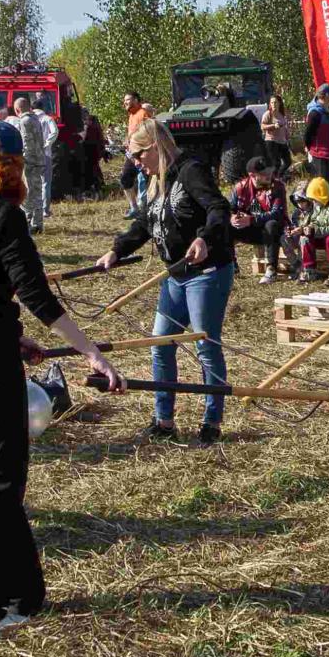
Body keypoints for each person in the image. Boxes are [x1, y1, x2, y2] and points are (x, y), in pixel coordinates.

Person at [0, 120, 119, 635]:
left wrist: (11, 339)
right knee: (2, 484)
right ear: (12, 167)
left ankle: (23, 592)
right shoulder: (3, 215)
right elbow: (38, 296)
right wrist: (92, 352)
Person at [97, 118, 235, 445]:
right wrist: (116, 251)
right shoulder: (156, 180)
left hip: (206, 273)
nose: (134, 162)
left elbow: (219, 208)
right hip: (175, 276)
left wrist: (203, 239)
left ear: (155, 148)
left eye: (137, 155)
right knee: (160, 345)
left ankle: (211, 423)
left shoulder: (191, 171)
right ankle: (164, 421)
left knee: (205, 345)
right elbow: (145, 224)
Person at [229, 156, 288, 284]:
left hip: (271, 231)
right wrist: (232, 217)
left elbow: (277, 214)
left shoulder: (277, 187)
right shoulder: (240, 187)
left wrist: (251, 219)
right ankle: (231, 268)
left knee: (271, 224)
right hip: (249, 230)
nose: (269, 176)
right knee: (225, 226)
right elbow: (229, 209)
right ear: (252, 175)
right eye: (265, 173)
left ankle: (271, 269)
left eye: (270, 172)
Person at [6, 99, 48, 233]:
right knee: (37, 191)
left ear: (17, 110)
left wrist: (21, 159)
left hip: (30, 161)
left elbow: (27, 143)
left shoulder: (24, 122)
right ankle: (38, 223)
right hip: (40, 159)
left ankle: (28, 223)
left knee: (28, 193)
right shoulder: (36, 119)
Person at [302, 83, 329, 195]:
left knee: (328, 183)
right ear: (325, 95)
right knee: (322, 185)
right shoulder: (315, 113)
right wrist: (309, 147)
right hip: (319, 154)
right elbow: (308, 134)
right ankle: (318, 206)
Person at [119, 91, 147, 215]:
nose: (125, 102)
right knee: (125, 179)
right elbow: (132, 132)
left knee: (148, 181)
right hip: (131, 154)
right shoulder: (131, 115)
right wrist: (128, 139)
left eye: (128, 100)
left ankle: (147, 209)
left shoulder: (143, 113)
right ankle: (134, 208)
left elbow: (148, 132)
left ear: (136, 100)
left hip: (143, 154)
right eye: (124, 100)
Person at [260, 93, 293, 176]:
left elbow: (284, 127)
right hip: (271, 141)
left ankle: (279, 177)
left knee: (288, 162)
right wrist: (273, 126)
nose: (273, 104)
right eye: (272, 103)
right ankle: (274, 181)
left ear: (279, 103)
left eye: (275, 102)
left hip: (282, 142)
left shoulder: (282, 115)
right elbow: (262, 126)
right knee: (276, 164)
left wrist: (287, 135)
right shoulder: (268, 114)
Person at [36, 104, 59, 216]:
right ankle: (45, 210)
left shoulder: (29, 119)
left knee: (32, 183)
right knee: (45, 183)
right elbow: (54, 131)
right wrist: (47, 143)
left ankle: (34, 209)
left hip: (32, 155)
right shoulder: (47, 118)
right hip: (45, 154)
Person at [81, 112, 107, 198]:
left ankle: (95, 188)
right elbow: (101, 141)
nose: (85, 122)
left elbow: (83, 140)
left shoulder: (88, 128)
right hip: (95, 153)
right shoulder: (97, 128)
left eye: (86, 120)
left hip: (89, 153)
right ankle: (100, 184)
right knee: (95, 169)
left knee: (91, 171)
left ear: (91, 121)